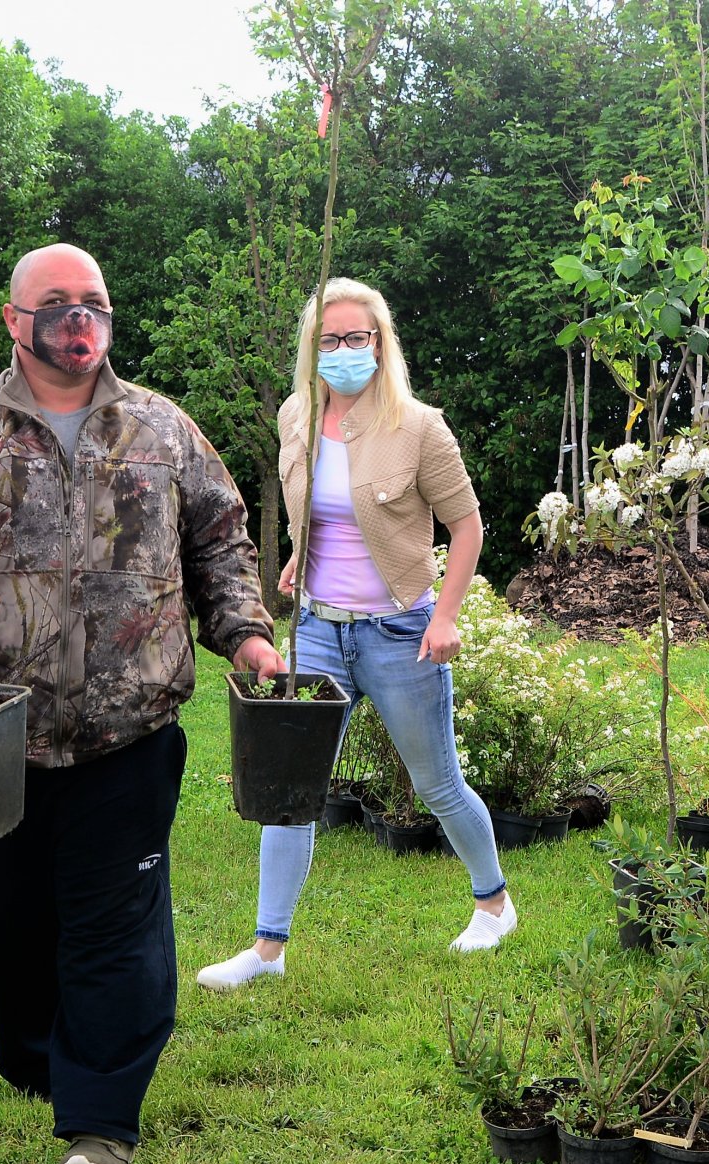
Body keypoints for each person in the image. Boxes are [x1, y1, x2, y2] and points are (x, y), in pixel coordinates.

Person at [0, 243, 282, 1164]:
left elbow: (220, 542)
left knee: (116, 925)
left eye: (94, 302)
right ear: (14, 321)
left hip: (127, 733)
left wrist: (247, 635)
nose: (79, 320)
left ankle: (100, 1125)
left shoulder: (165, 431)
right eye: (56, 305)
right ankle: (39, 1052)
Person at [196, 277, 516, 993]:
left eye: (357, 338)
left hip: (400, 632)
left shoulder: (418, 426)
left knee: (438, 784)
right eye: (329, 340)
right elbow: (317, 515)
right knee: (292, 787)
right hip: (318, 632)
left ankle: (493, 904)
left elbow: (467, 527)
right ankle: (267, 951)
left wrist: (446, 617)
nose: (344, 351)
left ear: (380, 343)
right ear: (312, 350)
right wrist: (297, 565)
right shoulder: (296, 417)